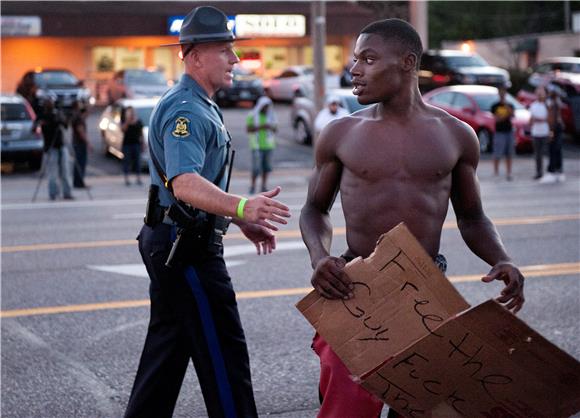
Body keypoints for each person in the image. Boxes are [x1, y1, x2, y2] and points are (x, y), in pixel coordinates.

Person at [299, 18, 526, 418]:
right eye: (355, 59)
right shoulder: (340, 133)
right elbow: (314, 210)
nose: (354, 69)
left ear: (406, 63)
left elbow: (472, 217)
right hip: (356, 285)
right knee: (346, 407)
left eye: (368, 59)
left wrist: (501, 259)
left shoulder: (456, 135)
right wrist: (320, 257)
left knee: (429, 407)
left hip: (426, 288)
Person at [124, 6, 291, 418]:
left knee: (166, 355)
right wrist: (241, 205)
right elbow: (184, 183)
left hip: (175, 239)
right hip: (187, 249)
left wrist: (237, 219)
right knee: (223, 355)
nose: (235, 60)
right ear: (195, 55)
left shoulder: (200, 103)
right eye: (225, 51)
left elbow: (192, 186)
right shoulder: (187, 110)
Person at [38, 98, 73, 200]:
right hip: (50, 147)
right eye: (48, 104)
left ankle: (67, 193)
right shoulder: (42, 116)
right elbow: (35, 127)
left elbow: (65, 125)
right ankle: (53, 193)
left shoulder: (57, 115)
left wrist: (62, 119)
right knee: (52, 173)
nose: (50, 106)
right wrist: (43, 123)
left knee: (65, 171)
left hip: (61, 145)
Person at [246, 96, 277, 194]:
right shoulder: (252, 115)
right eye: (265, 106)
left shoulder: (271, 116)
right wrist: (262, 127)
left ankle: (264, 185)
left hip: (268, 145)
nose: (266, 109)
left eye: (268, 107)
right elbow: (248, 129)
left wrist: (271, 128)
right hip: (256, 145)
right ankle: (252, 186)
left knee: (266, 168)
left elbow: (275, 129)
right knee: (256, 168)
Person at [490, 86, 515, 181]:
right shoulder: (495, 106)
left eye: (504, 93)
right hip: (499, 132)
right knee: (497, 153)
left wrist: (507, 108)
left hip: (509, 131)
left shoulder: (510, 105)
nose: (502, 95)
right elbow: (497, 119)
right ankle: (496, 173)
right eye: (501, 93)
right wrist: (506, 116)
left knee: (509, 153)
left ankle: (509, 173)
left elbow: (512, 115)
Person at [529, 86, 551, 182]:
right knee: (538, 154)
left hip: (545, 132)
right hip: (536, 133)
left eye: (541, 94)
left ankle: (550, 171)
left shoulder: (548, 105)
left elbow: (549, 118)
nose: (540, 96)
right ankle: (539, 172)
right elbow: (532, 119)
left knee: (548, 153)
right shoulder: (533, 105)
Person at [546, 86, 565, 182]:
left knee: (553, 150)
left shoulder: (554, 104)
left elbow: (553, 119)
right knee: (556, 150)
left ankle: (553, 171)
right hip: (556, 128)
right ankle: (558, 171)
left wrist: (551, 131)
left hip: (555, 128)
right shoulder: (555, 103)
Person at [121, 106, 144, 186]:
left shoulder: (138, 121)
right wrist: (127, 121)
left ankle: (138, 178)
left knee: (137, 162)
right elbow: (123, 130)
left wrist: (143, 143)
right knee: (127, 162)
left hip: (136, 144)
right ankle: (127, 178)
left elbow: (141, 133)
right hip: (127, 144)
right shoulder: (125, 121)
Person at [71, 101, 91, 188]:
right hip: (79, 143)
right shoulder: (78, 118)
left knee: (79, 163)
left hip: (77, 142)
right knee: (80, 163)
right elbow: (81, 131)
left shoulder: (76, 116)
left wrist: (87, 107)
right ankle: (79, 182)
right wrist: (88, 143)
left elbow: (86, 115)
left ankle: (78, 182)